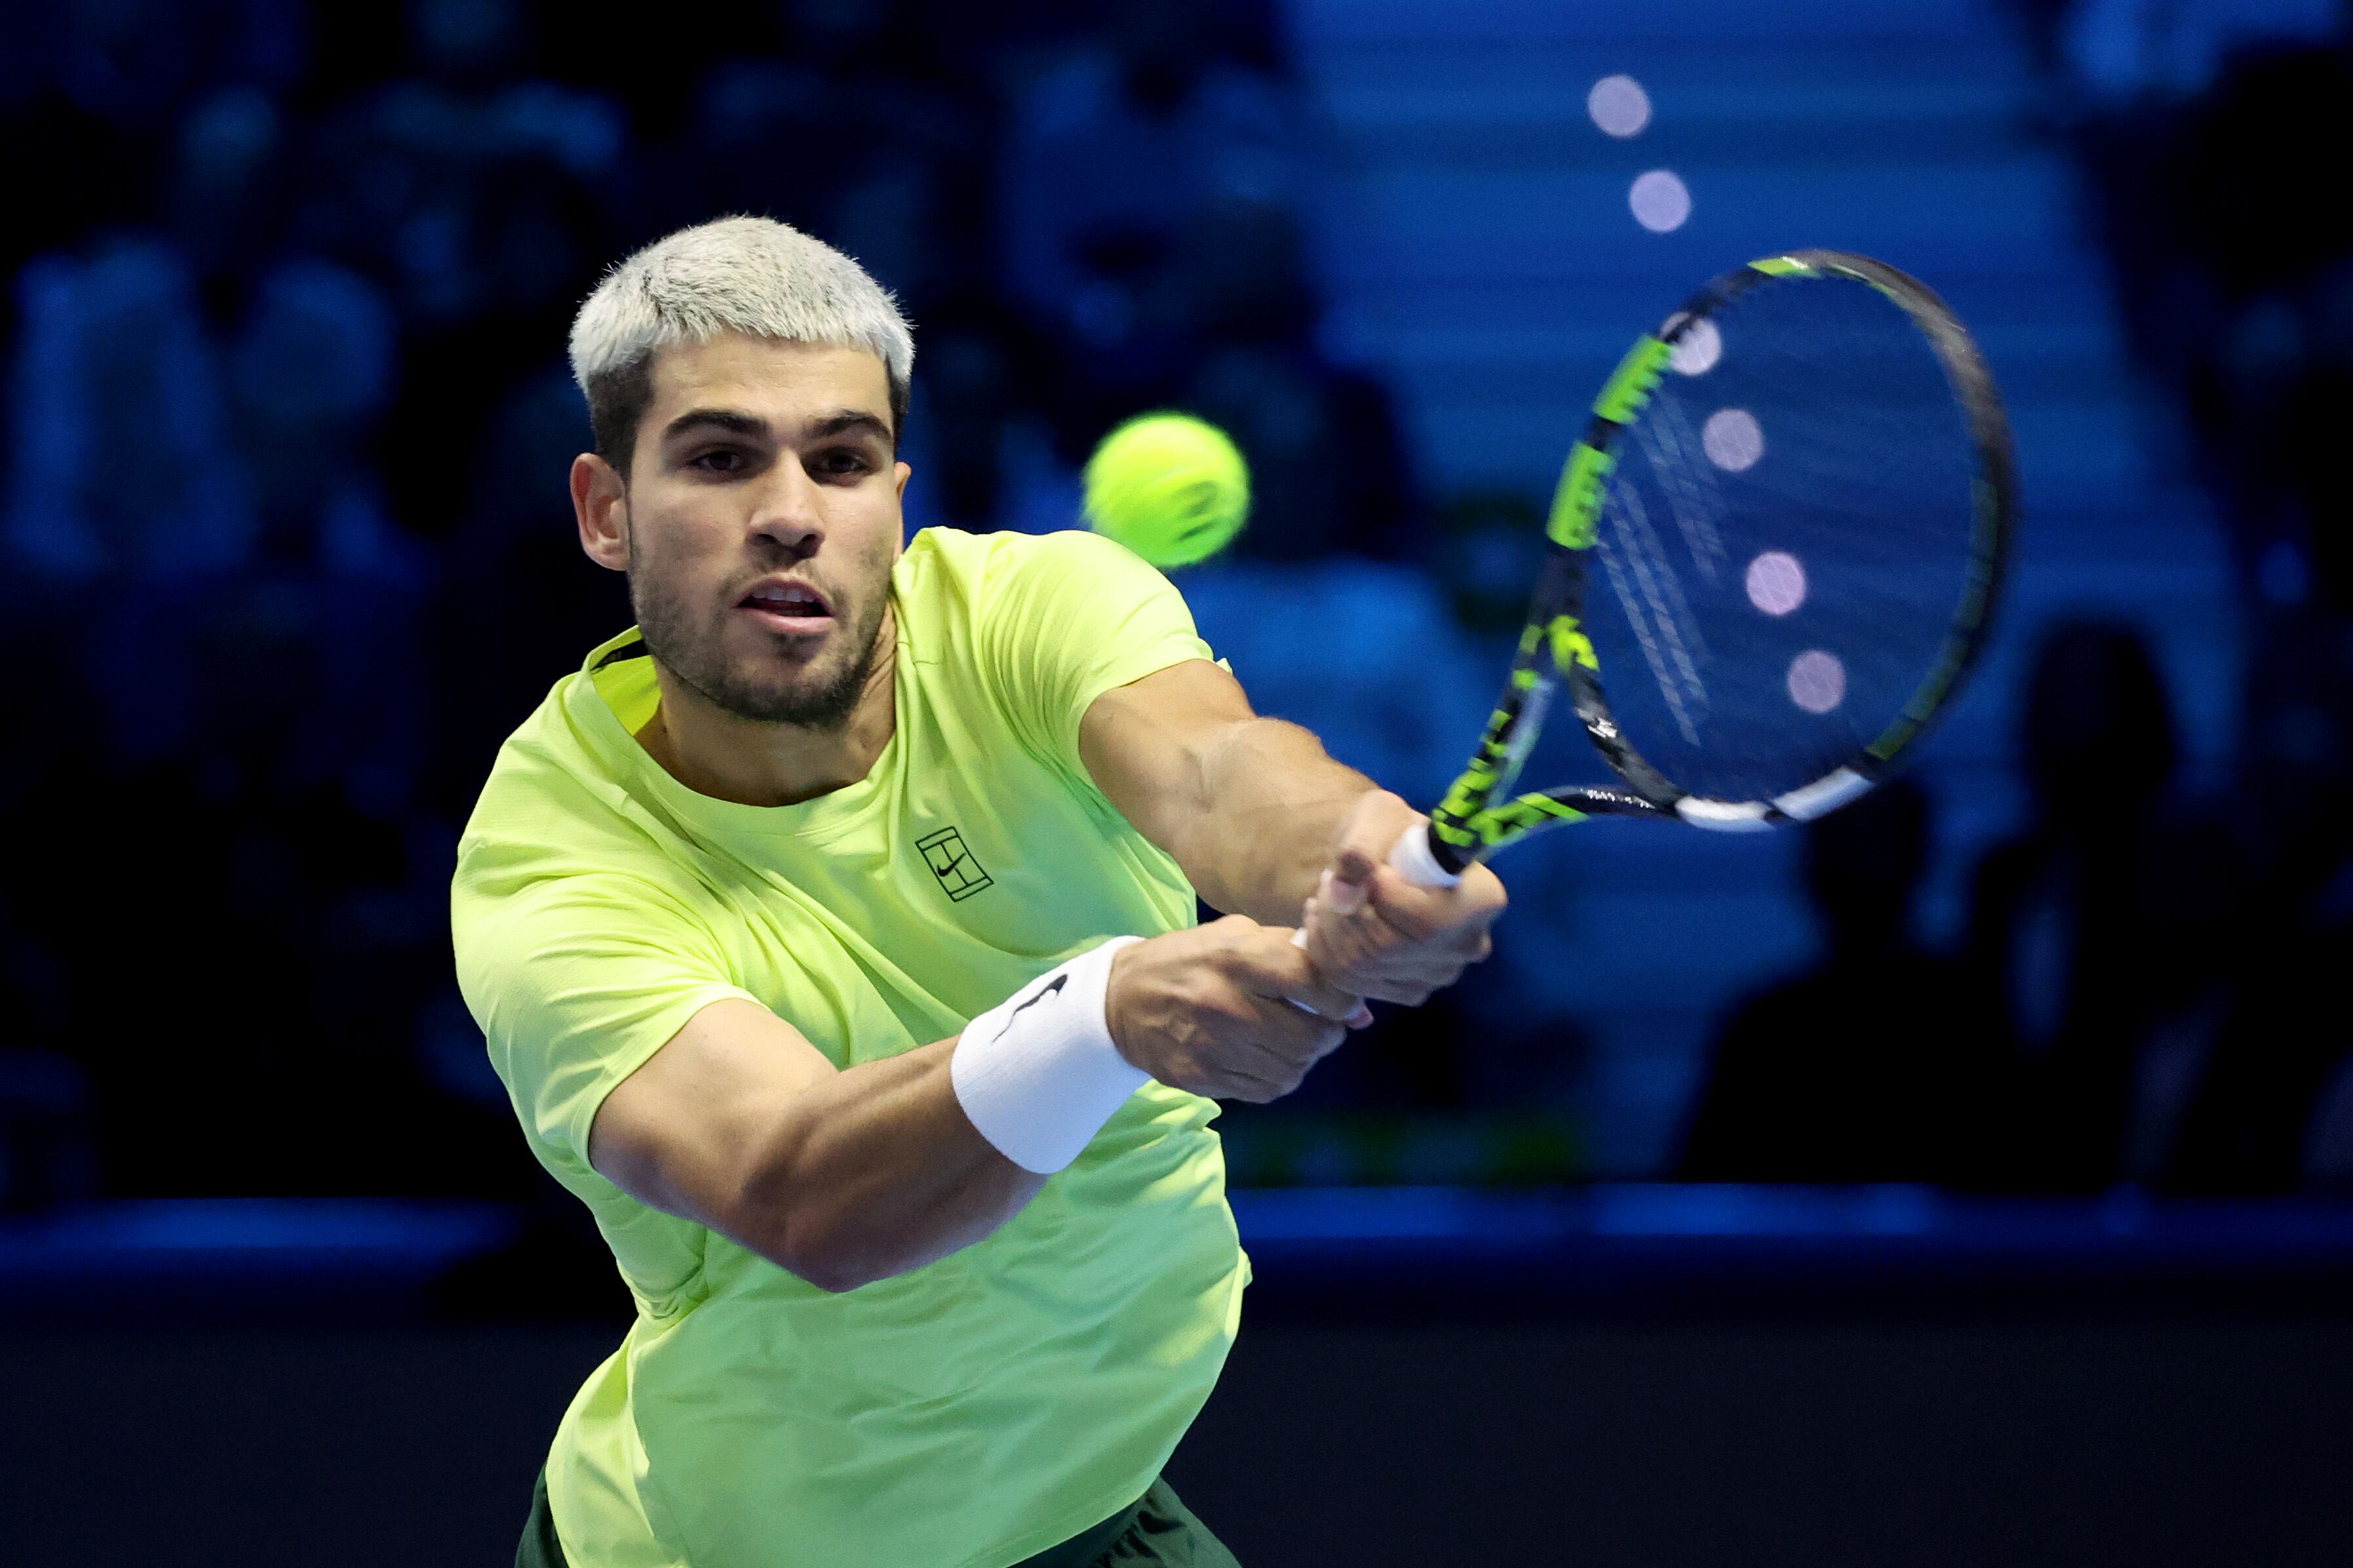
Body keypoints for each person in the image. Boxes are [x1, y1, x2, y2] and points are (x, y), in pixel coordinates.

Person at [451, 216, 1505, 1568]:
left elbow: (1221, 773)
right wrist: (1103, 1014)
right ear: (607, 511)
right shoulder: (553, 851)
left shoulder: (1032, 608)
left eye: (840, 461)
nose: (790, 513)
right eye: (721, 459)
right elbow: (800, 1193)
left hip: (1094, 1518)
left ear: (896, 490)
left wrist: (1355, 855)